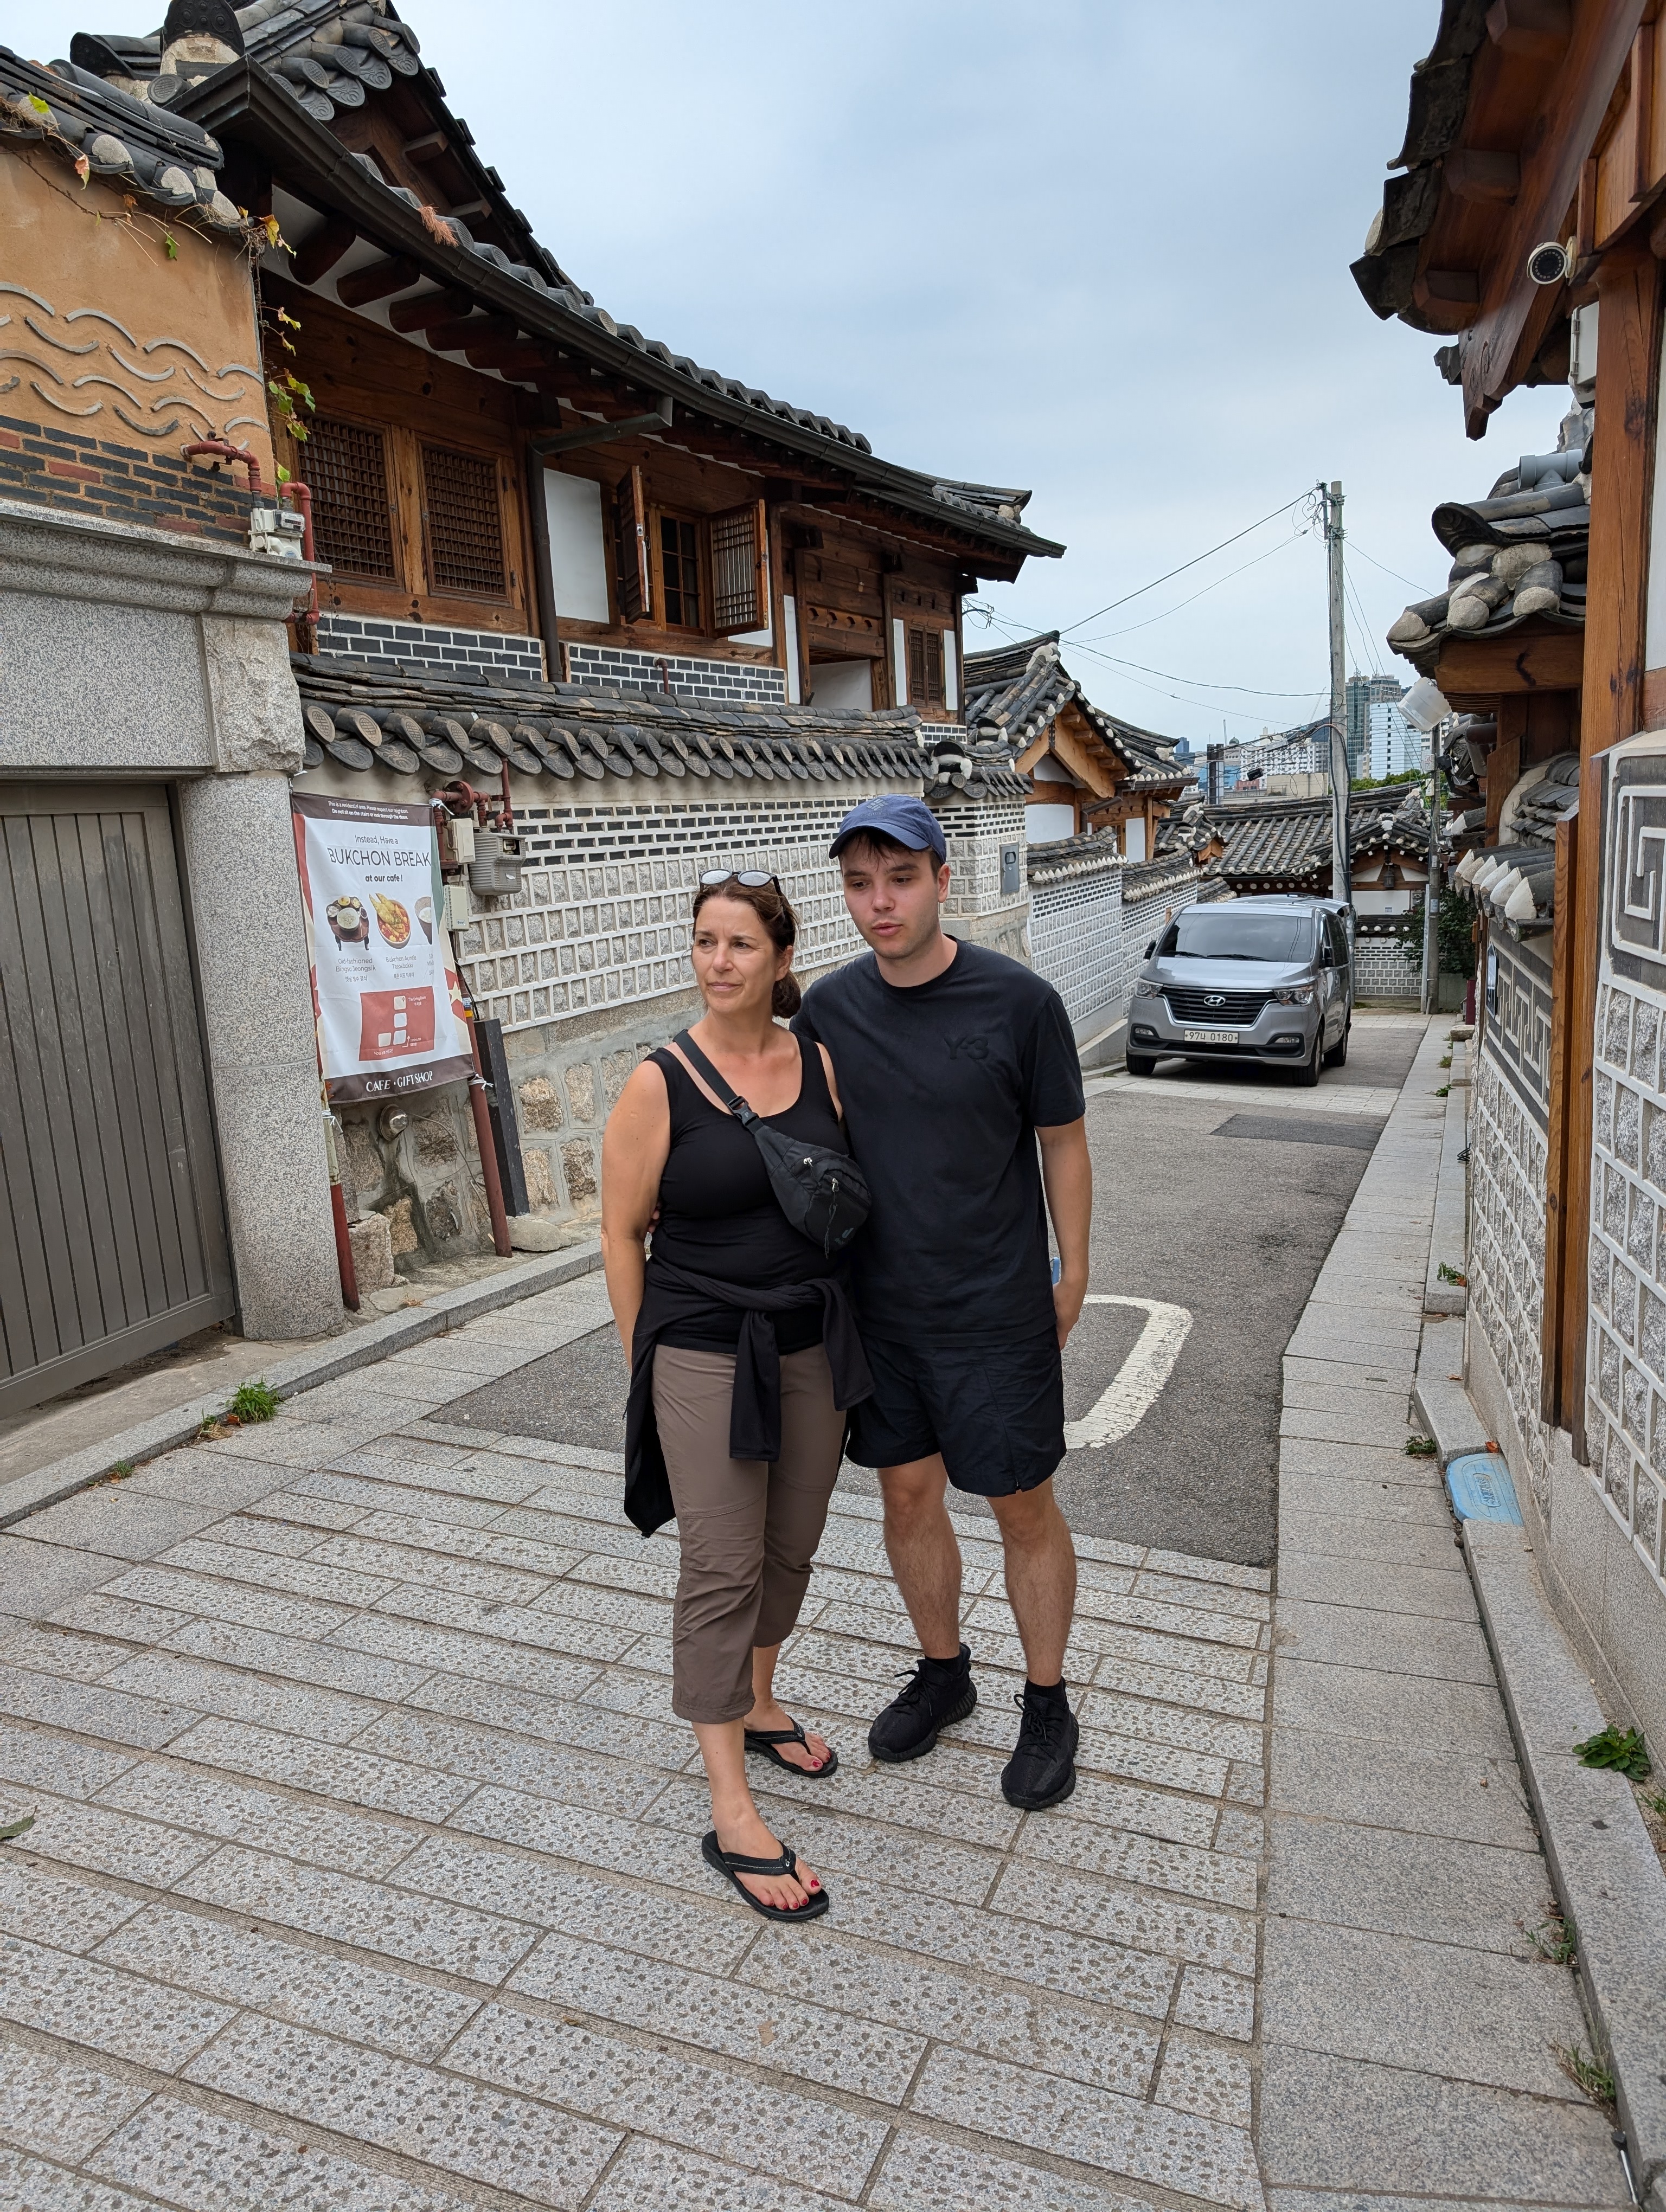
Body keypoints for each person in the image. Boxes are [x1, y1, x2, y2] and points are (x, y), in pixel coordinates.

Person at [793, 795, 1092, 1810]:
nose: (880, 903)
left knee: (1022, 1505)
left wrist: (1072, 1273)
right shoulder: (830, 1011)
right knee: (907, 1498)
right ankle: (944, 1670)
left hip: (996, 1308)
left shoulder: (1020, 1002)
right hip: (880, 1311)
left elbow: (1063, 1142)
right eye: (859, 884)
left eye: (901, 879)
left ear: (942, 880)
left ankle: (1046, 1700)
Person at [601, 869, 871, 1921]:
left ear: (782, 957)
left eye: (741, 944)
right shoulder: (658, 1082)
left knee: (790, 1551)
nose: (719, 962)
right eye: (706, 941)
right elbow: (622, 1232)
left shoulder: (820, 1063)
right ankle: (730, 1808)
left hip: (810, 1346)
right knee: (722, 1566)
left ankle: (759, 1700)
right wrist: (648, 1359)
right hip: (704, 1351)